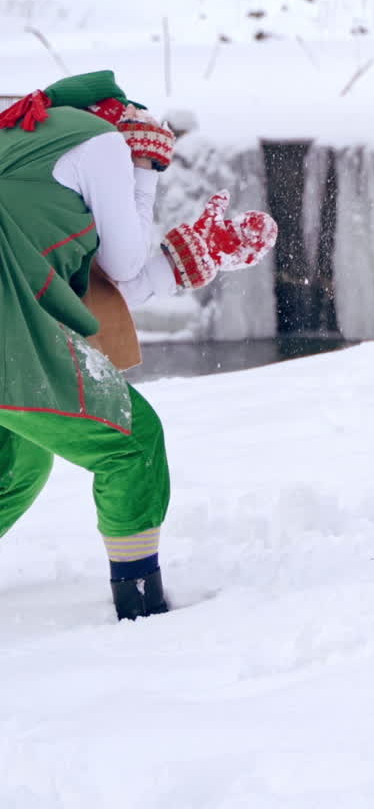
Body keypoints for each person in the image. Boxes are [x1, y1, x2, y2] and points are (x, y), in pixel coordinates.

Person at [0, 71, 277, 618]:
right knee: (132, 442)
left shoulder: (22, 136)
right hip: (10, 331)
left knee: (19, 464)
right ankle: (140, 604)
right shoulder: (101, 141)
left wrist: (180, 263)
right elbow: (123, 263)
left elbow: (91, 291)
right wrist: (145, 170)